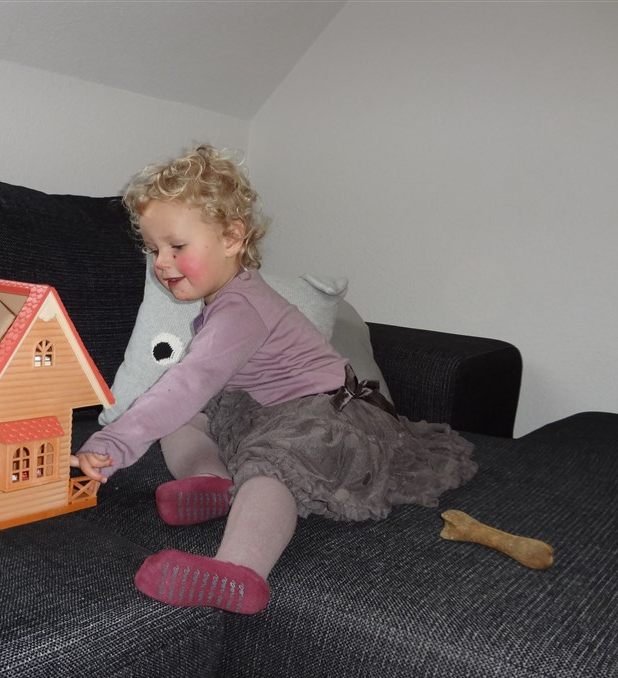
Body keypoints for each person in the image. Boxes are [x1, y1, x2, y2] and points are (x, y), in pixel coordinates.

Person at [72, 145, 476, 615]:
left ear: (232, 238)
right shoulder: (230, 297)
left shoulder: (240, 310)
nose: (161, 262)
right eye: (154, 249)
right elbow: (195, 394)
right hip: (268, 408)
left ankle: (239, 571)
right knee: (185, 419)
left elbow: (188, 382)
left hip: (328, 416)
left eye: (177, 247)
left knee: (272, 462)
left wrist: (116, 442)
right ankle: (211, 482)